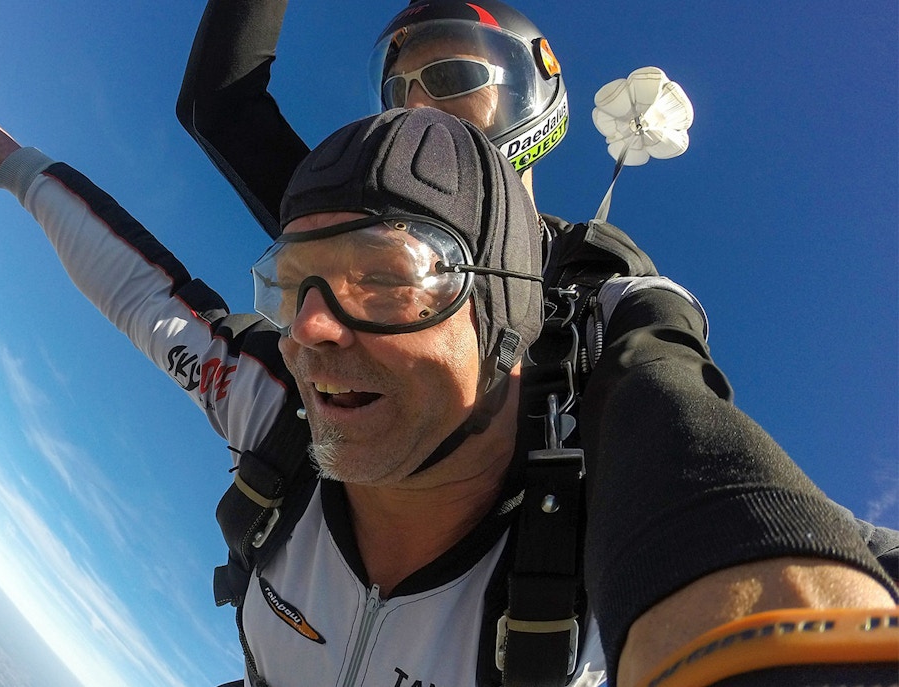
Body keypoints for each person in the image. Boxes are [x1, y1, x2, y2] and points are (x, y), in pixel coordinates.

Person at [0, 109, 897, 687]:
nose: (312, 329)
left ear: (505, 322)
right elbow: (152, 300)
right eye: (296, 280)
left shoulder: (595, 556)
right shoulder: (274, 416)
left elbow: (812, 568)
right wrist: (18, 167)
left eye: (385, 280)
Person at [176, 0, 899, 682]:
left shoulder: (599, 290)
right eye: (398, 92)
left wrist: (755, 601)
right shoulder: (352, 234)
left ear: (534, 98)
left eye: (452, 78)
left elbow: (669, 414)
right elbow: (220, 106)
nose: (420, 104)